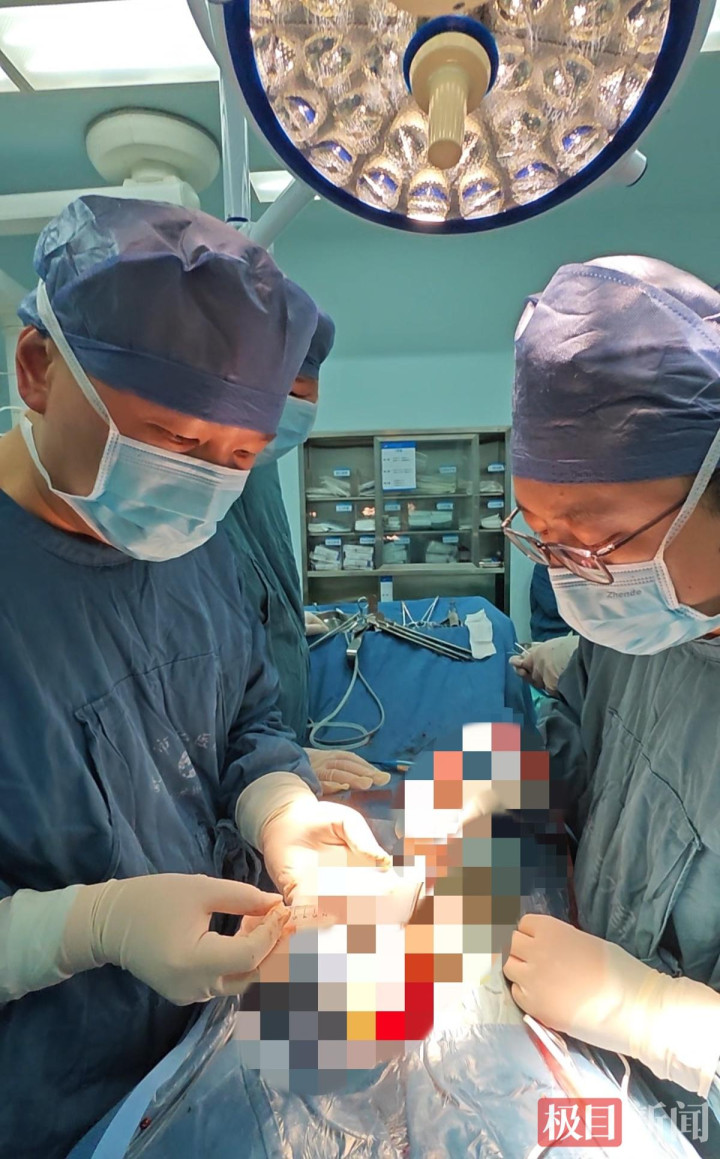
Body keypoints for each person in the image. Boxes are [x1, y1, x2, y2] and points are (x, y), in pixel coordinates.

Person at [0, 195, 392, 1159]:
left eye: (240, 458)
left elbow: (246, 711)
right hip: (46, 1099)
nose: (201, 484)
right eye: (174, 441)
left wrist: (279, 806)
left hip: (206, 1053)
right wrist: (83, 926)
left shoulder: (191, 539)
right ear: (39, 370)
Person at [500, 256, 720, 1141]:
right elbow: (577, 738)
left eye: (591, 543)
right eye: (540, 537)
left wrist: (657, 1012)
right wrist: (489, 794)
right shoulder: (646, 629)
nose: (568, 576)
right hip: (586, 1072)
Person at [224, 310, 391, 796]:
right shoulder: (205, 466)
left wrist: (283, 614)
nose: (284, 410)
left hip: (271, 727)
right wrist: (262, 770)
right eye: (273, 394)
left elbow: (259, 562)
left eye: (300, 394)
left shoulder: (259, 461)